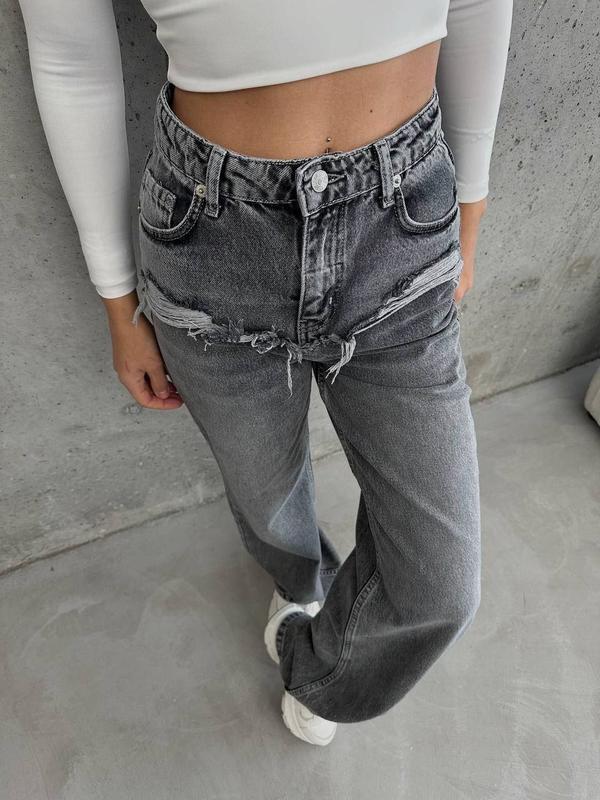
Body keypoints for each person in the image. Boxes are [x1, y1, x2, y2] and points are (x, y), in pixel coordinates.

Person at [17, 0, 513, 746]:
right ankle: (299, 585)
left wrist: (469, 205)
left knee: (439, 584)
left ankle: (320, 669)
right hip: (213, 235)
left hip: (400, 221)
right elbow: (71, 58)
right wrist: (118, 301)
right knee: (266, 492)